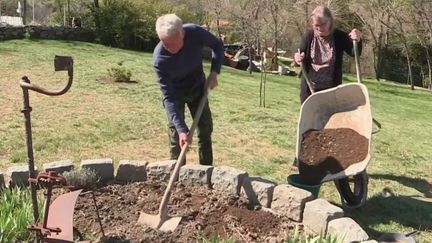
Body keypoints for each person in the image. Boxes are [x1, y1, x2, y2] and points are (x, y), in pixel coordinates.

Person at [153, 14, 224, 165]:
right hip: (175, 94)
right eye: (165, 44)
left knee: (205, 130)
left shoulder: (194, 32)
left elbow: (217, 45)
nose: (169, 48)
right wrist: (181, 130)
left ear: (182, 34)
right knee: (176, 136)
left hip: (198, 87)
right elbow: (168, 97)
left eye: (173, 43)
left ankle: (205, 171)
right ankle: (177, 173)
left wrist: (214, 72)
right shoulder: (160, 60)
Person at [294, 5, 362, 104]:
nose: (320, 28)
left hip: (331, 91)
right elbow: (300, 55)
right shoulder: (308, 37)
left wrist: (357, 40)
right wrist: (297, 58)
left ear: (330, 20)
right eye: (316, 25)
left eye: (323, 24)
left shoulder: (339, 36)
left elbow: (354, 52)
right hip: (310, 90)